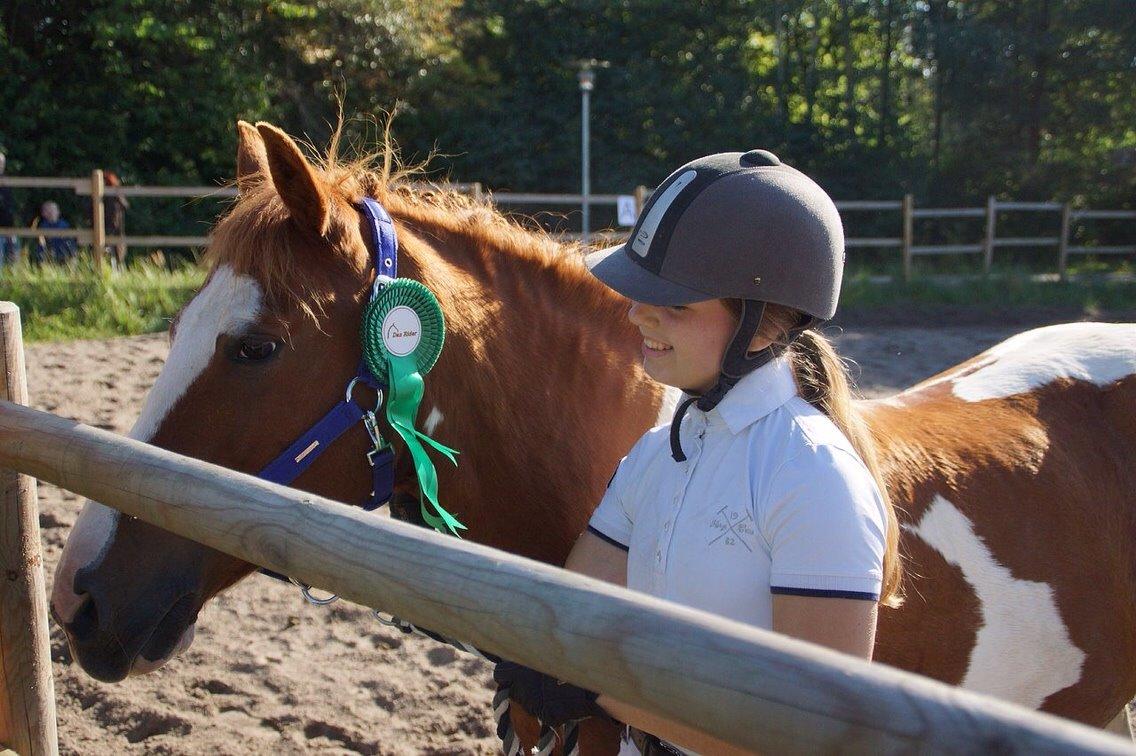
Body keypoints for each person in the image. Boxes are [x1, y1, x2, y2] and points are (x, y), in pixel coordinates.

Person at [494, 150, 902, 755]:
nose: (636, 314)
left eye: (675, 305)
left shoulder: (815, 479)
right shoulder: (659, 452)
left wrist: (601, 694)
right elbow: (576, 603)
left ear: (759, 326)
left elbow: (815, 737)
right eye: (640, 295)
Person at [0, 152, 18, 266]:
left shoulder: (7, 181)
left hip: (8, 225)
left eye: (2, 163)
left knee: (14, 257)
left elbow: (9, 205)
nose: (1, 165)